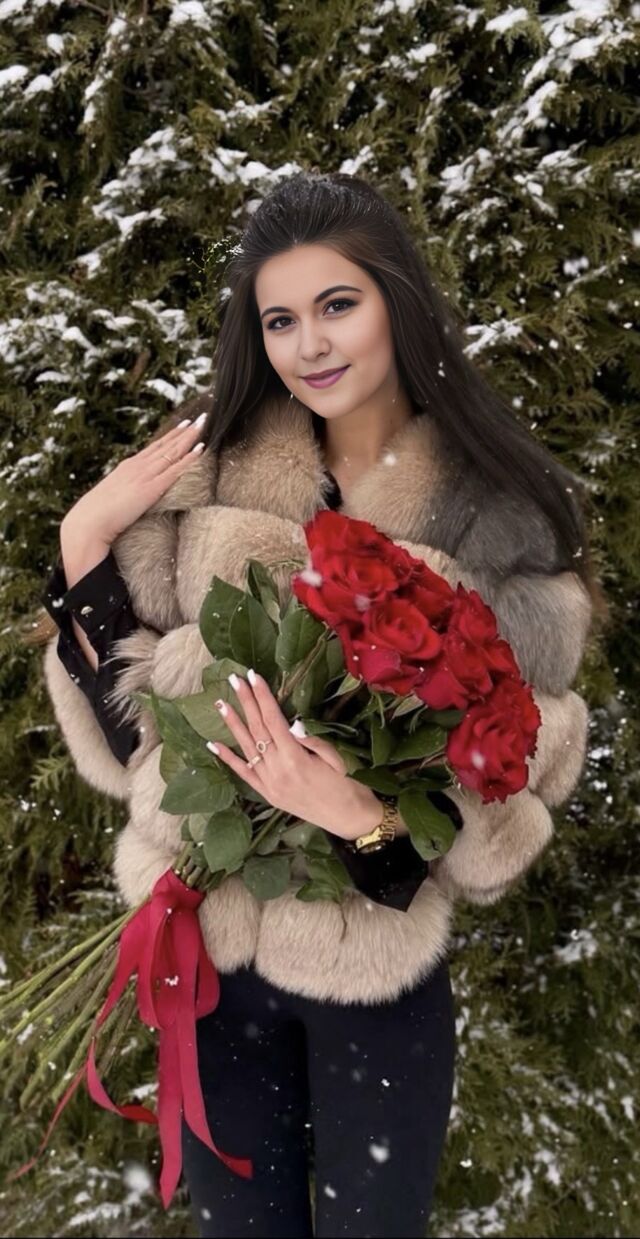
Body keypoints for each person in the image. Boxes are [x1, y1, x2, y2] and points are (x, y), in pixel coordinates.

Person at [31, 171, 601, 1238]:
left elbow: (493, 835)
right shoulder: (208, 475)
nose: (310, 344)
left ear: (398, 301)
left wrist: (359, 818)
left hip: (370, 992)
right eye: (280, 319)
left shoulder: (495, 522)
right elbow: (130, 742)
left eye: (339, 304)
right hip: (213, 969)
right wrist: (83, 543)